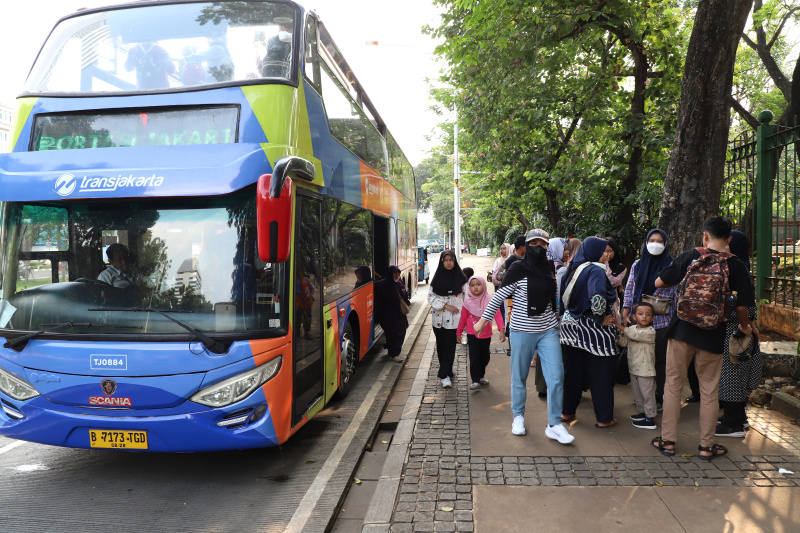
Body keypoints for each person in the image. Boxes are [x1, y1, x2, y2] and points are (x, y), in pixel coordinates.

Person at [651, 216, 754, 460]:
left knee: (673, 385)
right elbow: (743, 306)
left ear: (705, 236)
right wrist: (744, 327)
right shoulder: (736, 265)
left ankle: (667, 441)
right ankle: (706, 447)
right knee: (709, 392)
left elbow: (658, 282)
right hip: (713, 335)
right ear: (728, 239)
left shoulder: (691, 256)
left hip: (681, 331)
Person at [474, 229, 575, 444]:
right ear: (527, 245)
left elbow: (552, 299)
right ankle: (518, 416)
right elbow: (498, 296)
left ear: (548, 246)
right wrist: (483, 321)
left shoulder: (549, 267)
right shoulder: (517, 268)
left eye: (543, 243)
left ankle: (554, 424)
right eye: (534, 242)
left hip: (548, 330)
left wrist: (557, 320)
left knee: (557, 377)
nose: (539, 246)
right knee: (519, 377)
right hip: (521, 330)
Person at [559, 237, 619, 428]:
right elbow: (598, 297)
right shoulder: (596, 270)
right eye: (604, 251)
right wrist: (599, 317)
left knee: (573, 374)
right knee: (600, 375)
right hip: (594, 334)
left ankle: (567, 412)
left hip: (571, 328)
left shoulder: (576, 268)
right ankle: (604, 418)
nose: (606, 255)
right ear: (594, 252)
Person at [622, 229, 677, 409]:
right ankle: (644, 396)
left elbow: (676, 293)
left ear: (665, 244)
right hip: (640, 321)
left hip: (663, 321)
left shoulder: (671, 265)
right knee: (641, 360)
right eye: (652, 240)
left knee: (661, 361)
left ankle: (660, 397)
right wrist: (626, 310)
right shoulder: (638, 264)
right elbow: (630, 289)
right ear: (646, 242)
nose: (656, 244)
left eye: (660, 241)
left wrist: (675, 319)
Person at [717, 231, 762, 438]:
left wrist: (746, 325)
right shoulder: (738, 266)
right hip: (738, 330)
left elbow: (745, 305)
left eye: (729, 243)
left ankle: (732, 424)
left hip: (737, 332)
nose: (725, 246)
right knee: (733, 375)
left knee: (732, 376)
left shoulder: (738, 268)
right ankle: (738, 417)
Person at [428, 250, 468, 388]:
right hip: (438, 320)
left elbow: (467, 299)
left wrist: (467, 319)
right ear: (442, 262)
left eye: (451, 260)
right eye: (446, 260)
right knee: (441, 346)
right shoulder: (437, 278)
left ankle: (444, 375)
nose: (449, 262)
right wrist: (446, 305)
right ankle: (448, 369)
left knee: (450, 346)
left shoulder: (461, 279)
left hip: (455, 319)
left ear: (455, 261)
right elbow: (430, 297)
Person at [457, 275, 505, 389]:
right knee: (474, 357)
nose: (476, 288)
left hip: (486, 334)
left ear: (483, 285)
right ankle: (475, 380)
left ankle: (481, 375)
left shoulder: (490, 300)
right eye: (472, 285)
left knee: (485, 357)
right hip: (472, 334)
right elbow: (463, 319)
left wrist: (501, 330)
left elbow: (498, 315)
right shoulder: (467, 302)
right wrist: (459, 333)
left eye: (478, 285)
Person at [616, 301, 658, 429]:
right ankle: (643, 412)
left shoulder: (650, 332)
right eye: (640, 314)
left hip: (646, 370)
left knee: (647, 394)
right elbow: (624, 342)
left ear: (653, 318)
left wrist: (618, 325)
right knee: (637, 394)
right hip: (634, 367)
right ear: (634, 317)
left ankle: (650, 418)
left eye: (648, 314)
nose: (644, 317)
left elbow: (634, 335)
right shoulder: (632, 329)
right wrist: (617, 337)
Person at [374, 265, 410, 363]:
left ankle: (392, 348)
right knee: (393, 333)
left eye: (398, 273)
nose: (397, 275)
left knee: (402, 330)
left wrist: (407, 303)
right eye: (394, 273)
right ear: (390, 274)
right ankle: (395, 353)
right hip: (389, 314)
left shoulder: (400, 282)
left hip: (400, 313)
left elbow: (404, 295)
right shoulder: (383, 284)